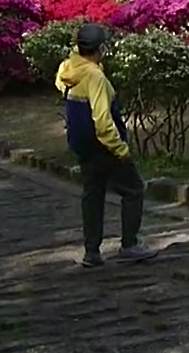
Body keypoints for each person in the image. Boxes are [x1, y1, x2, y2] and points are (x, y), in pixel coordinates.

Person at [58, 22, 156, 267]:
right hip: (103, 146)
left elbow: (62, 87)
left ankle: (92, 251)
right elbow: (103, 121)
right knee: (133, 189)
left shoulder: (69, 68)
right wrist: (120, 149)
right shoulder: (95, 77)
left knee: (93, 194)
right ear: (100, 48)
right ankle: (130, 244)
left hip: (82, 145)